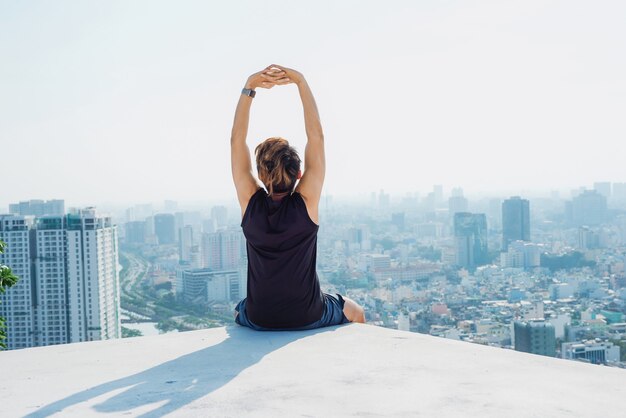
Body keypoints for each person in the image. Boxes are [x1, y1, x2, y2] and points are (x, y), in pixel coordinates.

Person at [230, 64, 366, 330]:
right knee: (356, 312)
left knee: (238, 311)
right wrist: (300, 82)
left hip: (260, 317)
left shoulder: (250, 202)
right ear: (300, 174)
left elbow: (237, 140)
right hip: (308, 314)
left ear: (259, 174)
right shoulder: (306, 203)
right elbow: (317, 136)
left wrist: (250, 86)